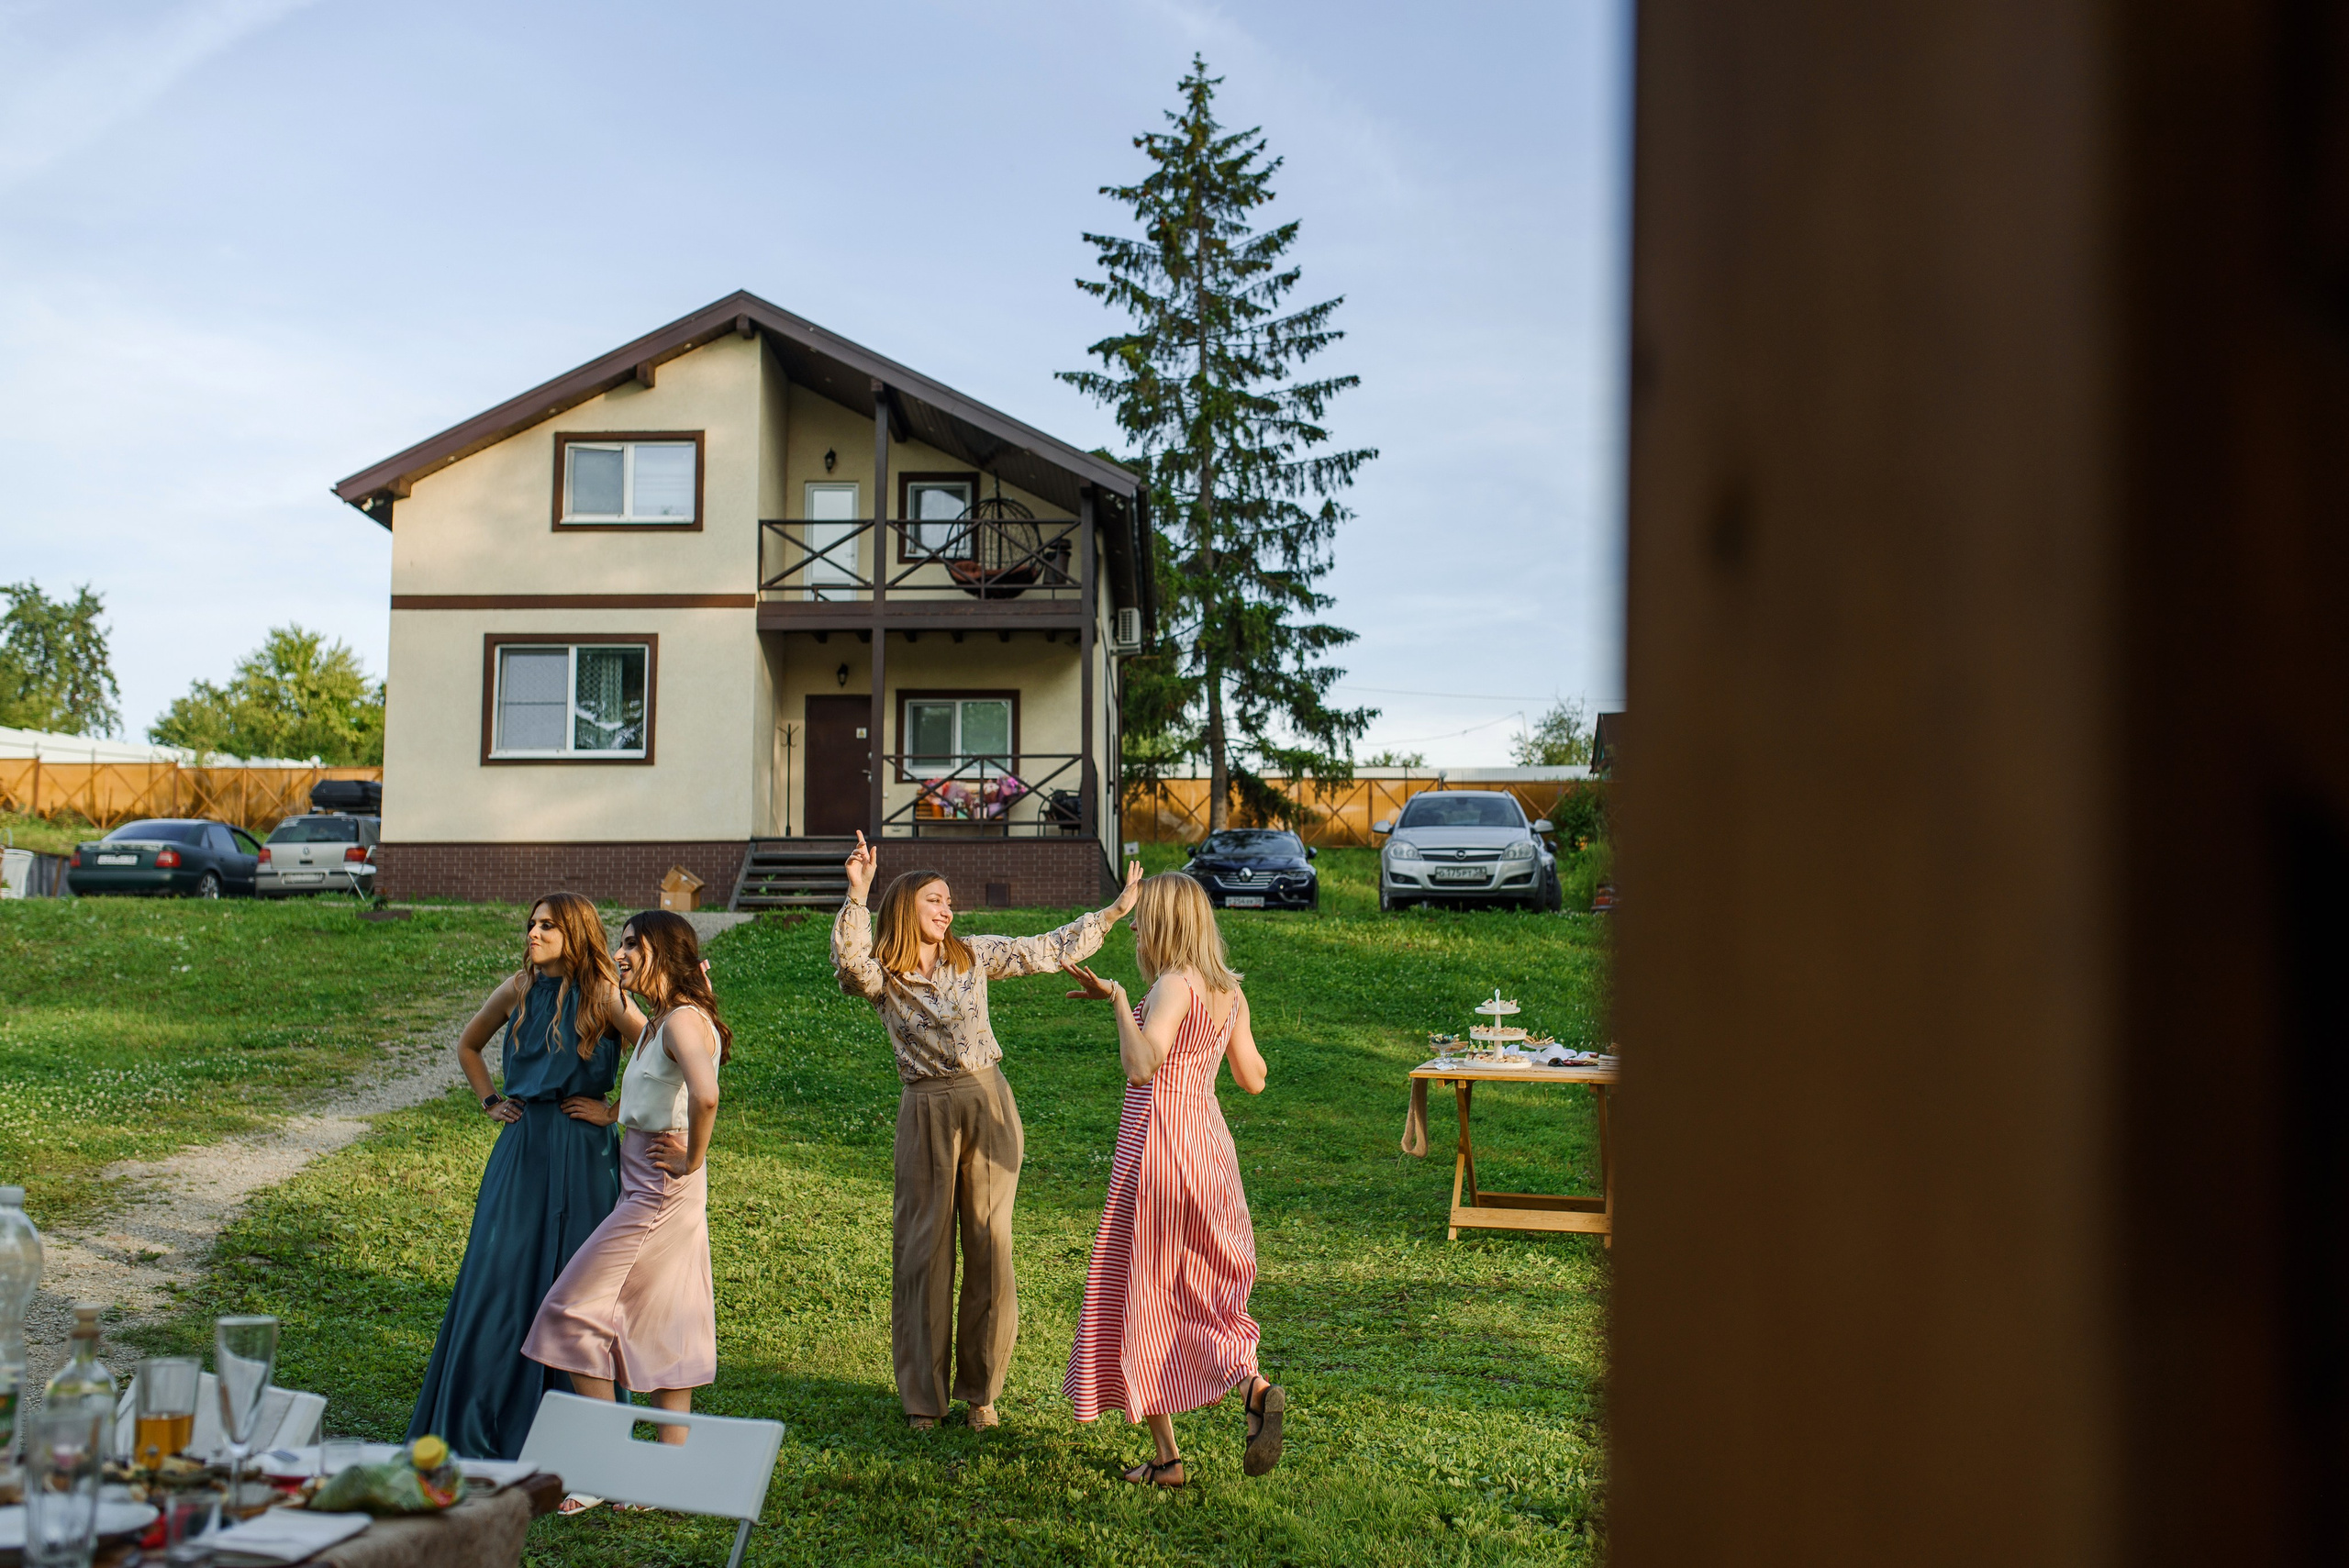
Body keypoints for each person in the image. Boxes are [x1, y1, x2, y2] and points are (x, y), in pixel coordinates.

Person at [834, 829, 1143, 1431]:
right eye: (934, 899)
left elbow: (1043, 948)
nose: (947, 909)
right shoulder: (886, 974)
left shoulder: (971, 955)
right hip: (925, 1109)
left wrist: (1112, 912)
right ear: (905, 908)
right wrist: (856, 895)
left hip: (988, 1102)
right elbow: (850, 967)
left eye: (950, 900)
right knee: (922, 1250)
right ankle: (924, 1396)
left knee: (989, 1245)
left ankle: (981, 1392)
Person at [1060, 871, 1285, 1486]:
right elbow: (1254, 1077)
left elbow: (1142, 1064)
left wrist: (1116, 1003)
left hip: (1159, 1150)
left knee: (1143, 1293)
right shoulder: (1227, 991)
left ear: (1164, 923)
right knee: (1202, 1287)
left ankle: (1183, 1446)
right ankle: (1221, 1410)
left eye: (1143, 916)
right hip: (1210, 1151)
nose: (1134, 925)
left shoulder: (1171, 985)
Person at [407, 893, 640, 1462]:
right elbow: (468, 1045)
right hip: (523, 1145)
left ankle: (581, 1430)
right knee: (499, 1271)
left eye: (547, 926)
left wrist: (615, 1111)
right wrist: (490, 1099)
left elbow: (661, 1050)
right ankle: (482, 1411)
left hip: (584, 1149)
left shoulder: (603, 994)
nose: (534, 933)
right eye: (532, 924)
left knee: (576, 1281)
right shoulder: (516, 989)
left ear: (575, 933)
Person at [525, 910, 728, 1510]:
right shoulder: (667, 1018)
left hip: (658, 1195)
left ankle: (609, 1465)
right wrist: (614, 1112)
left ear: (662, 953)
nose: (620, 953)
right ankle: (663, 1475)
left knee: (569, 1312)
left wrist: (693, 1154)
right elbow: (662, 1090)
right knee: (668, 1320)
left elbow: (707, 1092)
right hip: (649, 1184)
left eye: (632, 944)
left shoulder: (681, 1021)